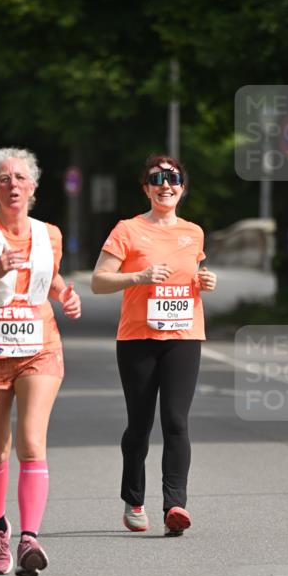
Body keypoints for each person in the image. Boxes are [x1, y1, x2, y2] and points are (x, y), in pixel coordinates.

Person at [0, 147, 81, 576]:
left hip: (40, 349)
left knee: (31, 442)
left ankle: (29, 538)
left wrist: (65, 295)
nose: (13, 185)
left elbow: (48, 277)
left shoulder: (49, 234)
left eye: (20, 178)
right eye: (4, 179)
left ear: (33, 188)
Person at [91, 154, 217, 536]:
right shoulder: (128, 230)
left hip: (184, 337)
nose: (166, 185)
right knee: (140, 425)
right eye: (157, 179)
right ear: (146, 188)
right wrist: (140, 277)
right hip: (138, 339)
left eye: (173, 178)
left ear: (182, 187)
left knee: (176, 421)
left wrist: (204, 280)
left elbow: (192, 274)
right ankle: (134, 500)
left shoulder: (193, 232)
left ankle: (175, 505)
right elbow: (98, 281)